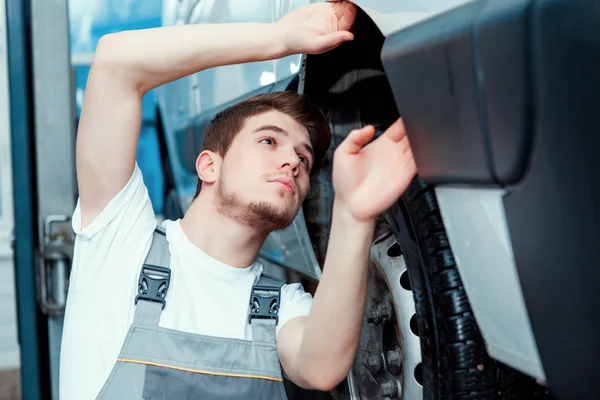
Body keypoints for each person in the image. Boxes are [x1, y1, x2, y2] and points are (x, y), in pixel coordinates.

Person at [58, 1, 417, 399]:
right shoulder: (119, 240)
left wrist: (354, 213)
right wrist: (278, 38)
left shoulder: (278, 306)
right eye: (268, 140)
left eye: (303, 158)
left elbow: (320, 367)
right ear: (209, 165)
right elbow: (115, 62)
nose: (292, 162)